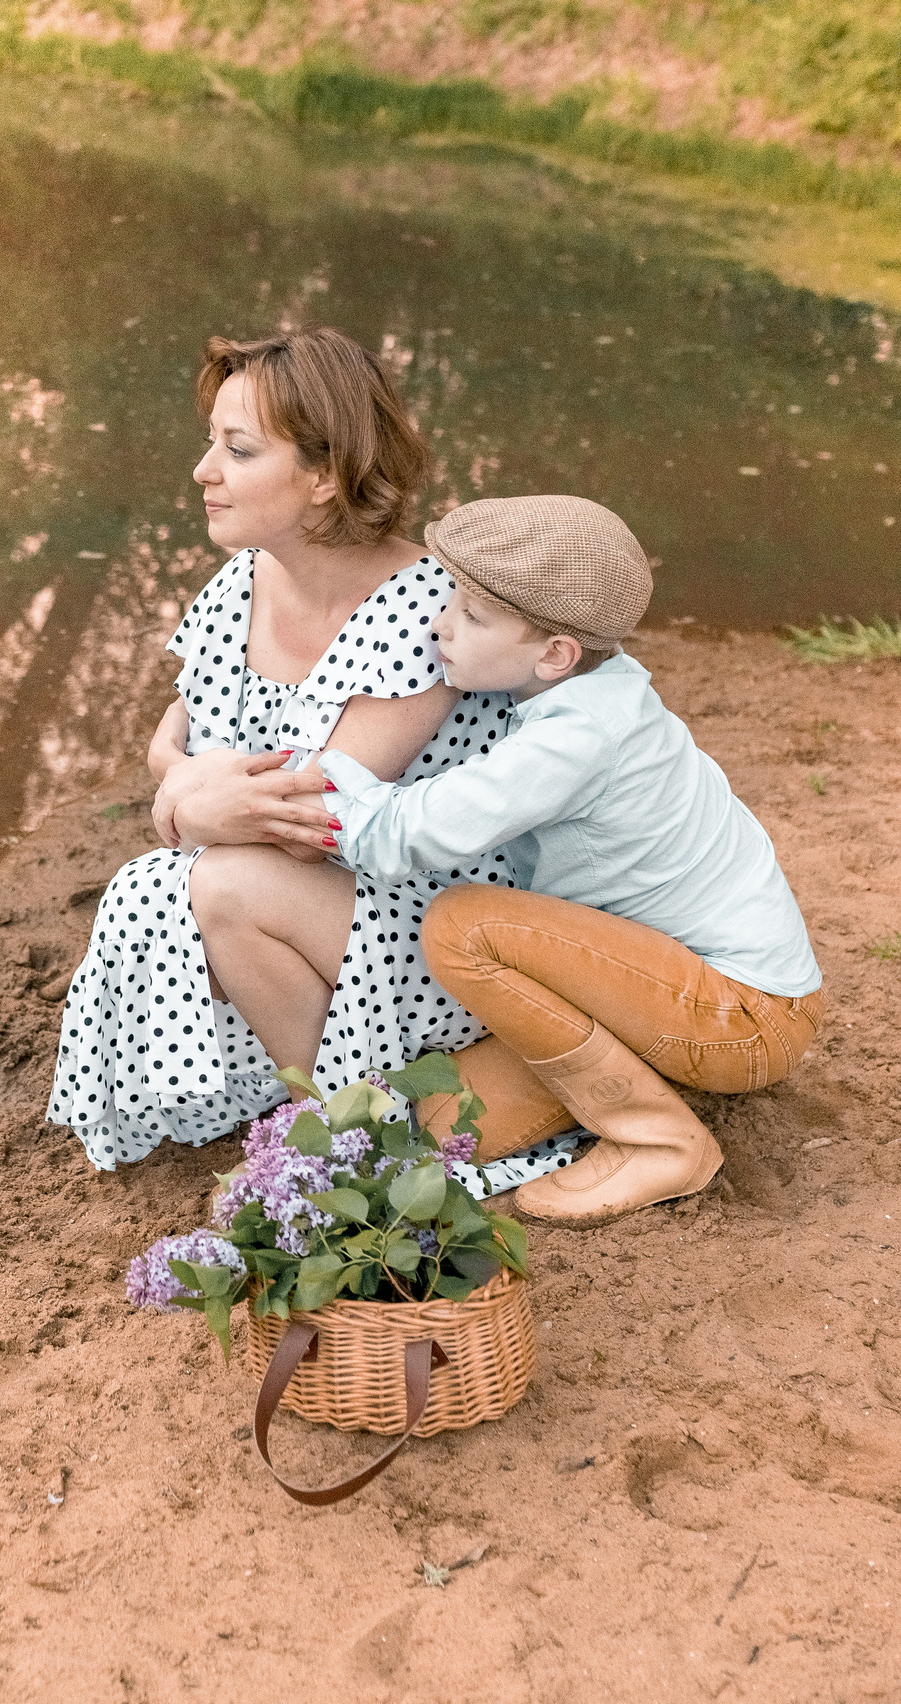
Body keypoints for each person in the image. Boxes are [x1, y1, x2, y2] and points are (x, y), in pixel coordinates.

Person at [45, 328, 581, 1197]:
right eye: (211, 440)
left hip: (445, 934)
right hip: (327, 907)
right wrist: (185, 797)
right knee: (165, 887)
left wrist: (183, 802)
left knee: (214, 883)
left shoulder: (426, 609)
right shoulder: (242, 582)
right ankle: (317, 1097)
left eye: (238, 448)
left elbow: (313, 822)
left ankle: (361, 1136)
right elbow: (172, 745)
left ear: (326, 474)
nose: (202, 470)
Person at [195, 493, 826, 1226]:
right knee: (435, 1128)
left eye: (472, 616)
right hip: (649, 992)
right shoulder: (579, 693)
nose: (439, 625)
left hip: (743, 1014)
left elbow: (412, 832)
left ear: (554, 654)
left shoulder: (580, 736)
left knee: (465, 926)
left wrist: (284, 797)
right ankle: (634, 1081)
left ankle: (658, 1139)